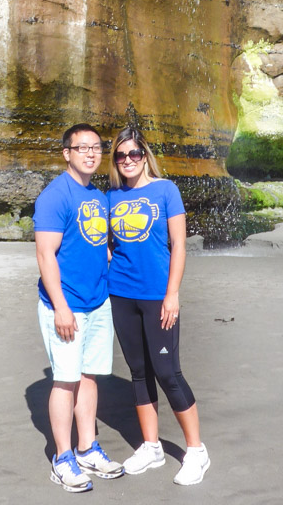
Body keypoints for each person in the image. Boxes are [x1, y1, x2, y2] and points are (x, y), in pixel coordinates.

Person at [107, 125, 210, 486]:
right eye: (121, 155)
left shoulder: (166, 190)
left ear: (144, 155)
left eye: (133, 153)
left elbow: (179, 245)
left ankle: (196, 451)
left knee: (168, 372)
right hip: (120, 293)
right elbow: (107, 244)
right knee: (138, 371)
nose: (127, 160)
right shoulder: (111, 196)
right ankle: (151, 447)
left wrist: (172, 294)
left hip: (157, 295)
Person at [34, 123, 125, 492]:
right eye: (82, 147)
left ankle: (87, 447)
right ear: (66, 153)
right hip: (66, 304)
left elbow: (97, 243)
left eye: (97, 147)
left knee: (90, 376)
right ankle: (63, 457)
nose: (91, 153)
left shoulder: (99, 196)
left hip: (97, 301)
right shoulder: (55, 196)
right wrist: (60, 306)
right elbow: (45, 254)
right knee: (66, 379)